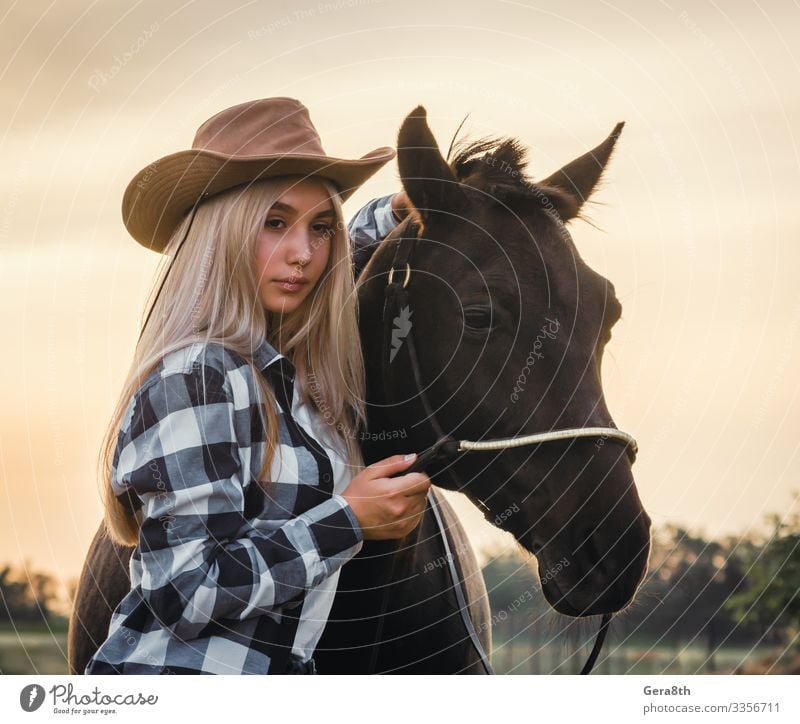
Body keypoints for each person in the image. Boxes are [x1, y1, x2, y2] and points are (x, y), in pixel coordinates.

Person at [84, 97, 429, 675]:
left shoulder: (273, 372)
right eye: (274, 223)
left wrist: (400, 212)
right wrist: (348, 518)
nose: (303, 255)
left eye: (321, 228)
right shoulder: (196, 376)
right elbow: (186, 591)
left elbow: (340, 255)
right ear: (222, 234)